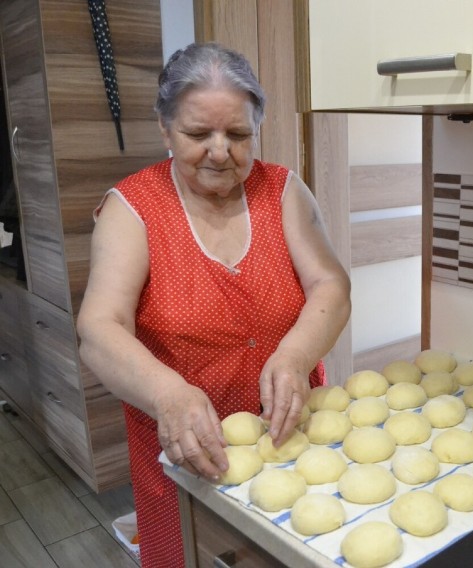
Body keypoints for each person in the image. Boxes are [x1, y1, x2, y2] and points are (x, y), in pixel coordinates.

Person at [76, 42, 351, 568]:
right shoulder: (132, 208)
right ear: (164, 128)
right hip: (186, 452)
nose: (221, 152)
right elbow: (99, 327)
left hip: (291, 435)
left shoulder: (284, 191)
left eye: (240, 135)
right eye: (198, 134)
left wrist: (294, 357)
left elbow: (331, 286)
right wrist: (168, 395)